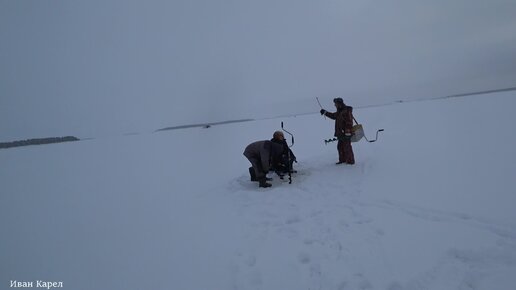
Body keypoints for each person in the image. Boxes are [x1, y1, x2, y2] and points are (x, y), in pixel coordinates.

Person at [320, 97, 355, 165]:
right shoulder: (340, 111)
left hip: (346, 133)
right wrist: (325, 112)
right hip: (340, 133)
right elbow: (333, 116)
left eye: (335, 104)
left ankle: (350, 161)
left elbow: (349, 122)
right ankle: (343, 160)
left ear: (339, 104)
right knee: (340, 147)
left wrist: (347, 132)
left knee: (347, 147)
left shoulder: (346, 111)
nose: (335, 105)